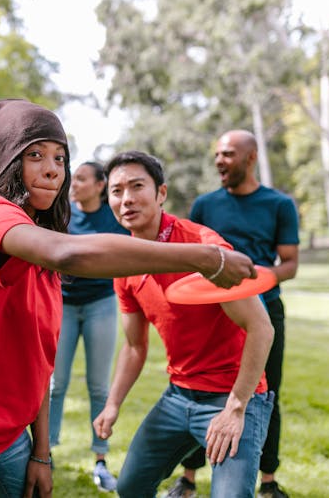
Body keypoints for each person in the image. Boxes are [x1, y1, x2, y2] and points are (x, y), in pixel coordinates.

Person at [0, 98, 258, 498]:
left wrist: (40, 452)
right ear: (6, 162)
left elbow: (38, 358)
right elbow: (69, 253)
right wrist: (203, 258)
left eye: (59, 157)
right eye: (34, 155)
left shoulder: (39, 251)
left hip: (12, 437)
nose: (52, 168)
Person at [92, 150, 276, 498]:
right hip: (179, 395)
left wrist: (235, 408)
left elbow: (261, 327)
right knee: (130, 488)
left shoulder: (204, 249)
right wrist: (113, 404)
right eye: (116, 191)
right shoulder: (125, 264)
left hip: (233, 396)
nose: (127, 198)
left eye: (137, 186)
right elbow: (134, 345)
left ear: (161, 193)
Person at [170, 130, 299, 498]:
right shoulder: (205, 205)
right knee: (202, 391)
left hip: (264, 310)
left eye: (227, 154)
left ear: (251, 157)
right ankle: (189, 478)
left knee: (267, 393)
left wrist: (253, 282)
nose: (219, 161)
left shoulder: (279, 204)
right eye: (217, 155)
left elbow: (289, 263)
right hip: (211, 315)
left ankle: (268, 481)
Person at [49, 160, 129, 492]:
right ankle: (45, 454)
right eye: (74, 179)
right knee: (56, 383)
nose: (74, 184)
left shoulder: (114, 217)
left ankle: (100, 460)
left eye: (81, 179)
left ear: (100, 185)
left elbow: (127, 253)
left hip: (101, 305)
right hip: (63, 304)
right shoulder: (61, 212)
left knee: (99, 387)